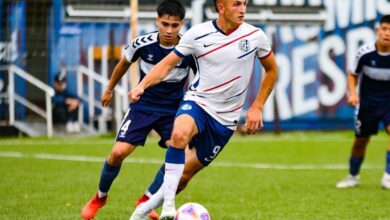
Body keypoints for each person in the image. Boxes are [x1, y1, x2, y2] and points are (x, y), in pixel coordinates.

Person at [129, 0, 278, 219]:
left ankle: (143, 209)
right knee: (178, 134)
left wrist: (257, 106)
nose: (243, 9)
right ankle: (169, 207)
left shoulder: (255, 36)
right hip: (198, 102)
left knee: (185, 175)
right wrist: (142, 85)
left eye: (245, 4)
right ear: (221, 7)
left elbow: (272, 70)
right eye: (237, 4)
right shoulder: (197, 34)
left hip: (225, 120)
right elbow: (166, 65)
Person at [80, 1, 195, 219]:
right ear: (156, 21)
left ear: (182, 24)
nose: (169, 30)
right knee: (117, 153)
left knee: (181, 153)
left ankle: (146, 199)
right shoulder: (142, 43)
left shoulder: (189, 49)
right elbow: (123, 63)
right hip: (143, 106)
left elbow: (200, 77)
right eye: (165, 24)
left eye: (175, 25)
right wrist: (109, 89)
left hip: (172, 110)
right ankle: (100, 197)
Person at [336, 15, 390, 189]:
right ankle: (353, 176)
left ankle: (387, 177)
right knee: (361, 141)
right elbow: (352, 74)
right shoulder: (364, 53)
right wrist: (352, 94)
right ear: (378, 31)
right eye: (385, 29)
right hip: (367, 104)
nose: (388, 34)